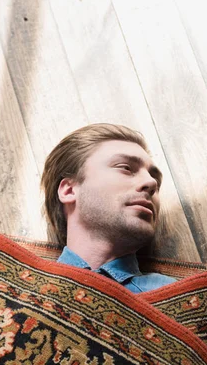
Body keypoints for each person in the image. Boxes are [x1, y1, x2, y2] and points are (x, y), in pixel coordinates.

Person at [41, 123, 176, 292]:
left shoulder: (179, 298)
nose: (151, 183)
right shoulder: (17, 293)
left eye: (155, 178)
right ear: (69, 190)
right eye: (125, 168)